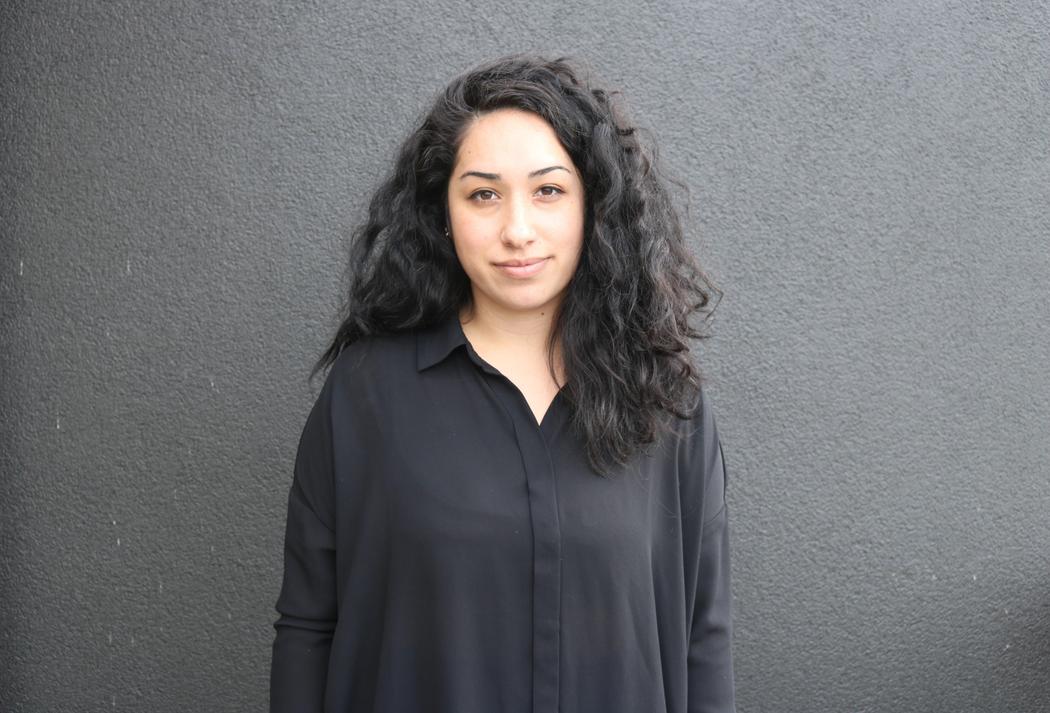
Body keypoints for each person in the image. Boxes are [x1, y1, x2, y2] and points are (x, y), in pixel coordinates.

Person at [270, 53, 735, 713]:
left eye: (548, 190)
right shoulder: (366, 395)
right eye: (483, 193)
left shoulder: (669, 404)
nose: (517, 230)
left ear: (592, 206)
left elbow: (703, 639)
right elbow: (309, 626)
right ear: (442, 213)